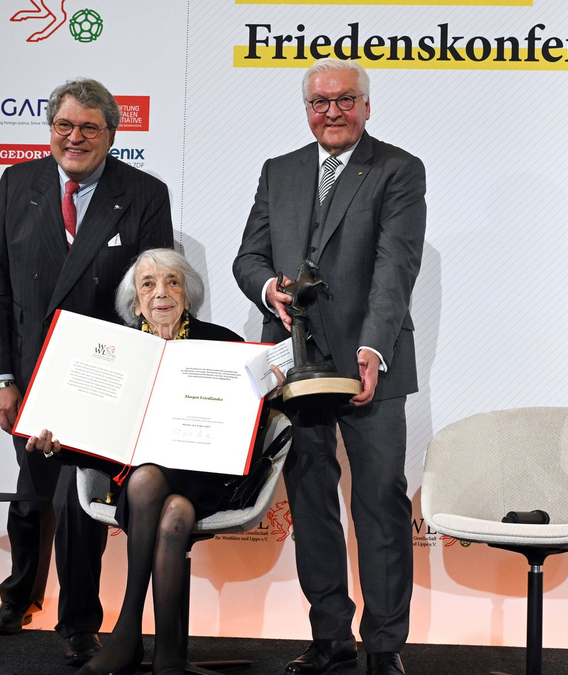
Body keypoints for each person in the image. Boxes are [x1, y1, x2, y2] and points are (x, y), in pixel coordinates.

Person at [232, 58, 426, 675]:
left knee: (378, 503)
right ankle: (330, 637)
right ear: (307, 109)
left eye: (345, 100)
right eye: (320, 102)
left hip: (373, 363)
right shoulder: (279, 170)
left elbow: (396, 269)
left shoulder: (398, 169)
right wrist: (269, 290)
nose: (333, 112)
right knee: (310, 502)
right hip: (295, 366)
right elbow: (248, 256)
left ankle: (386, 645)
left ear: (367, 106)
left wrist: (373, 349)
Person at [0, 77, 174, 666]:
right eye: (65, 125)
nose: (75, 137)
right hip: (31, 374)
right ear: (51, 130)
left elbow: (152, 288)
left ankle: (80, 622)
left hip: (102, 378)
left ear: (112, 134)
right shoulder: (18, 182)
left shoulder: (143, 193)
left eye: (90, 127)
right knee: (32, 493)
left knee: (80, 499)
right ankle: (20, 594)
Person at [26, 248, 276, 675]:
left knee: (149, 483)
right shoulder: (120, 349)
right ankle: (168, 655)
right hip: (140, 482)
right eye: (148, 284)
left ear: (187, 293)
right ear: (135, 299)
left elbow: (257, 419)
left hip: (206, 476)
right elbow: (92, 427)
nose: (161, 292)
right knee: (169, 508)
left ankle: (126, 634)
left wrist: (269, 390)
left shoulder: (224, 342)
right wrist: (56, 442)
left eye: (172, 282)